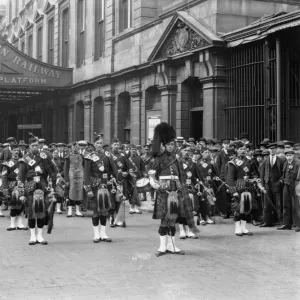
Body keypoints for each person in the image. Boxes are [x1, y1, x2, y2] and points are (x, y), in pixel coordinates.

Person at [148, 122, 199, 257]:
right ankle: (162, 247)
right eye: (169, 144)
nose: (171, 147)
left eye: (173, 144)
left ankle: (172, 245)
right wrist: (155, 185)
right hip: (163, 191)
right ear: (163, 145)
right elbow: (151, 176)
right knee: (164, 220)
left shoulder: (176, 159)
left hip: (175, 192)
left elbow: (180, 175)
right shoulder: (158, 159)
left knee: (173, 219)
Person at [18, 136, 57, 245]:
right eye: (33, 145)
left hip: (43, 186)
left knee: (41, 212)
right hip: (30, 188)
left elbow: (52, 173)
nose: (35, 147)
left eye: (37, 145)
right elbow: (21, 177)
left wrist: (53, 188)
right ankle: (32, 236)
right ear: (29, 147)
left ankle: (40, 236)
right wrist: (21, 193)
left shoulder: (44, 157)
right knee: (31, 213)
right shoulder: (25, 159)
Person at [84, 135, 118, 242]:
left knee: (104, 210)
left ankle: (103, 233)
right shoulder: (89, 156)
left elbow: (113, 170)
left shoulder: (108, 155)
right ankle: (96, 234)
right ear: (94, 144)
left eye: (100, 143)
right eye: (97, 143)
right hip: (94, 185)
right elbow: (86, 174)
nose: (99, 145)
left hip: (106, 185)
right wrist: (88, 189)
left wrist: (117, 179)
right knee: (95, 211)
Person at [226, 142, 259, 236]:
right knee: (238, 208)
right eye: (240, 149)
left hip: (248, 187)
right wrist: (233, 191)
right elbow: (230, 178)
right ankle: (237, 228)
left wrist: (254, 178)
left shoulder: (249, 161)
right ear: (236, 150)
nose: (242, 151)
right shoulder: (232, 162)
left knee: (247, 208)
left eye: (244, 149)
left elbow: (254, 173)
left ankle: (244, 227)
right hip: (238, 187)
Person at [2, 147, 27, 230]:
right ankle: (12, 224)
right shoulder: (7, 163)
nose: (16, 152)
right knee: (13, 205)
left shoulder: (23, 162)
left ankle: (19, 224)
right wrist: (5, 188)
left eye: (17, 150)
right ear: (11, 152)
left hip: (22, 185)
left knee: (21, 204)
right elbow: (4, 176)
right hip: (12, 185)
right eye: (14, 150)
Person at [259, 143, 284, 227]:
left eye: (274, 149)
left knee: (279, 203)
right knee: (267, 204)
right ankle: (267, 221)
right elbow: (262, 174)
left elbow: (283, 174)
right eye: (270, 149)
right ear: (268, 150)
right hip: (267, 184)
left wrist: (280, 181)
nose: (272, 150)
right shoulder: (265, 161)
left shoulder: (281, 160)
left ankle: (281, 222)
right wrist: (262, 185)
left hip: (277, 184)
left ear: (276, 150)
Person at [278, 149, 300, 231]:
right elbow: (283, 175)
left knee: (296, 206)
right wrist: (282, 180)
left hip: (295, 187)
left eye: (290, 155)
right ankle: (287, 224)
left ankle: (298, 225)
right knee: (286, 205)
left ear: (293, 156)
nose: (289, 157)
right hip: (286, 186)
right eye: (287, 155)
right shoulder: (285, 164)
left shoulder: (298, 164)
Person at [64, 142, 84, 217]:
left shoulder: (82, 156)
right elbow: (66, 169)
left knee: (79, 192)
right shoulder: (68, 157)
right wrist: (66, 179)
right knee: (70, 193)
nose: (75, 148)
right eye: (74, 147)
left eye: (77, 147)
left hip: (80, 177)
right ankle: (69, 210)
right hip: (71, 177)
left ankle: (77, 210)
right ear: (71, 148)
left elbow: (84, 166)